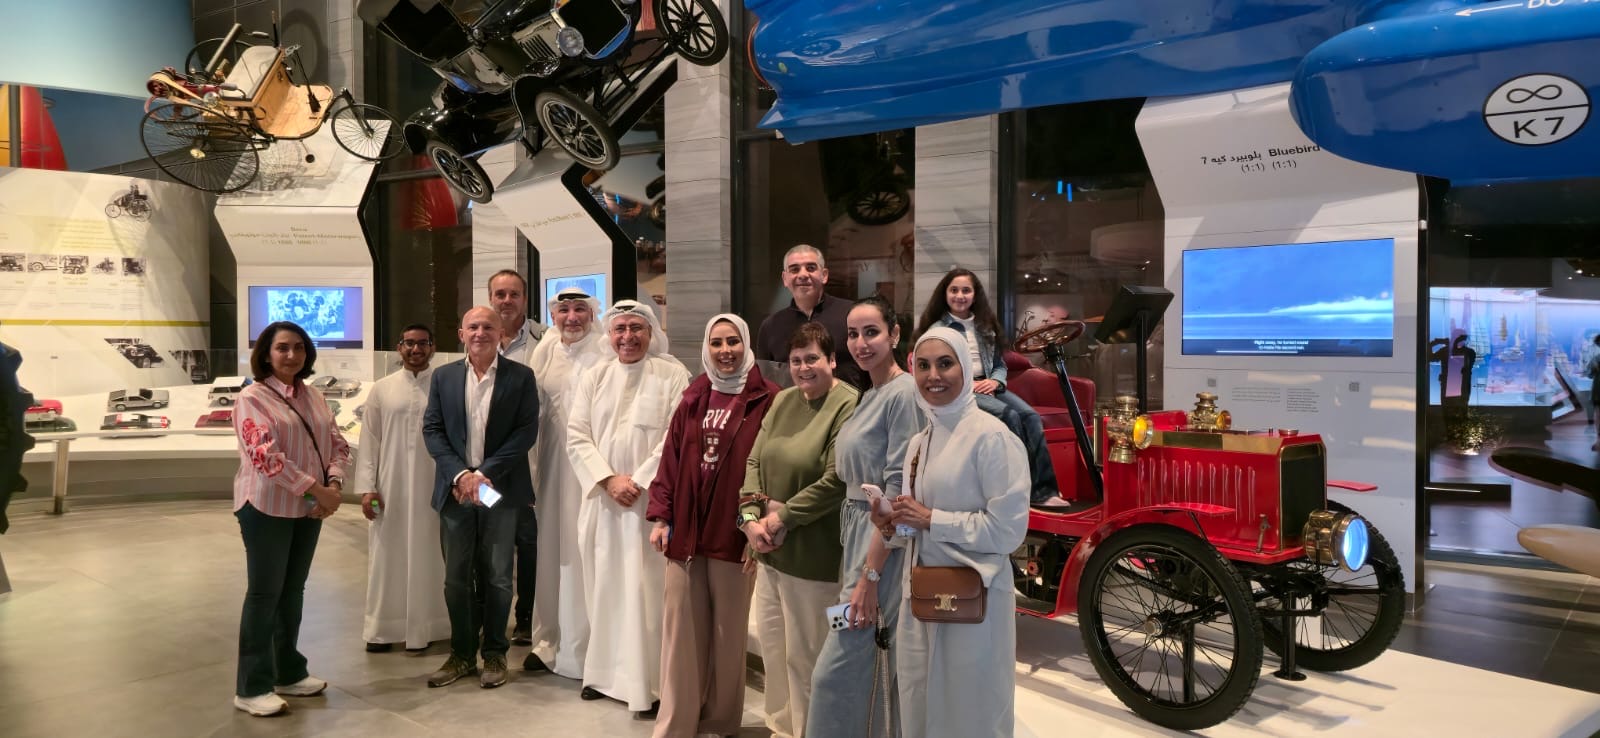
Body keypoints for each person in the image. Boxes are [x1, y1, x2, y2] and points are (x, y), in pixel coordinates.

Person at [888, 327, 1029, 738]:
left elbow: (1008, 532)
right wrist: (895, 522)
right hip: (921, 598)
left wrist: (932, 519)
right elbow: (916, 522)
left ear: (966, 369)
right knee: (920, 706)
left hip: (975, 605)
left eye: (945, 364)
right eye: (923, 365)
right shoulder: (919, 442)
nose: (933, 375)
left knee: (970, 712)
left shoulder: (993, 438)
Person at [646, 314, 777, 738]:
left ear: (746, 344)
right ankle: (676, 725)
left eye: (733, 341)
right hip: (687, 533)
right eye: (717, 342)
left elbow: (771, 468)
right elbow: (670, 460)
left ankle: (719, 723)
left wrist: (757, 528)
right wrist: (661, 515)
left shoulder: (768, 398)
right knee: (680, 636)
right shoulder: (694, 395)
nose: (725, 351)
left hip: (735, 534)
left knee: (728, 636)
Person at [807, 296, 925, 737]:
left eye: (871, 332)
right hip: (858, 535)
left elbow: (897, 491)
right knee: (864, 662)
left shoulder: (903, 393)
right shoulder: (871, 392)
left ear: (894, 335)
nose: (860, 342)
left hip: (881, 547)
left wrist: (870, 577)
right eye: (853, 334)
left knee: (836, 670)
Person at [567, 300, 691, 717]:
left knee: (645, 593)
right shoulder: (595, 375)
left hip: (648, 507)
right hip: (603, 503)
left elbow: (675, 438)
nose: (627, 337)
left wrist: (637, 480)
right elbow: (577, 435)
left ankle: (649, 684)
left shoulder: (672, 375)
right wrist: (608, 480)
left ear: (651, 333)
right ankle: (601, 676)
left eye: (636, 328)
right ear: (609, 335)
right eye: (619, 329)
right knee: (602, 587)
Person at [739, 321, 860, 738]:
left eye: (812, 359)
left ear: (832, 360)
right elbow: (754, 460)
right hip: (769, 553)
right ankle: (781, 728)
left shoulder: (848, 404)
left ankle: (814, 730)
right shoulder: (784, 400)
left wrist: (781, 518)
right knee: (774, 651)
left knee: (809, 659)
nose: (804, 368)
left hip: (816, 558)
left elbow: (836, 479)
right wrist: (750, 519)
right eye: (796, 360)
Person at [229, 321, 352, 716]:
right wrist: (318, 491)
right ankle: (251, 687)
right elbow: (264, 457)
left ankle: (288, 671)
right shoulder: (252, 398)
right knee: (264, 594)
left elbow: (336, 443)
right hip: (266, 507)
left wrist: (334, 483)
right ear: (266, 354)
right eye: (282, 348)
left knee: (292, 592)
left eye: (298, 347)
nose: (291, 355)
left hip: (308, 508)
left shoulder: (313, 395)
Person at [421, 306, 540, 690]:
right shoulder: (443, 377)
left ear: (501, 332)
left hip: (498, 491)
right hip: (456, 490)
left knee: (499, 576)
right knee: (456, 577)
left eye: (488, 326)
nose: (480, 333)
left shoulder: (521, 377)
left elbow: (525, 432)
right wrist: (461, 475)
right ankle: (461, 654)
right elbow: (433, 430)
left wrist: (484, 473)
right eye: (473, 326)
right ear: (461, 333)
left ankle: (494, 654)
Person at [523, 287, 610, 676]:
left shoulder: (606, 350)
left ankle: (592, 646)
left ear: (592, 314)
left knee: (588, 551)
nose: (571, 317)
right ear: (553, 316)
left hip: (592, 472)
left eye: (579, 309)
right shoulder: (545, 350)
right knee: (553, 551)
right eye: (563, 310)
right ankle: (550, 641)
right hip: (553, 467)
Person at [916, 268, 1057, 503]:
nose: (960, 296)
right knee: (1010, 416)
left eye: (966, 290)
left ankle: (1044, 491)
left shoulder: (985, 326)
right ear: (945, 294)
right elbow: (938, 368)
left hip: (989, 385)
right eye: (954, 290)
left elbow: (999, 364)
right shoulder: (938, 330)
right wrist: (967, 384)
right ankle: (1018, 487)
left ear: (974, 295)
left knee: (1030, 416)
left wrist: (995, 381)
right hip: (960, 389)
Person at [355, 324, 449, 653]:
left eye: (423, 343)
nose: (416, 349)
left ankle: (428, 626)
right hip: (389, 487)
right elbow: (370, 440)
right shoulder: (382, 389)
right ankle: (383, 629)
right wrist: (367, 488)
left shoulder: (443, 386)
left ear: (432, 347)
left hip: (432, 486)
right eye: (409, 343)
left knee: (431, 555)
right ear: (399, 348)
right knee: (386, 555)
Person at [487, 269, 544, 646]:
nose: (506, 301)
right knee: (492, 540)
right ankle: (491, 616)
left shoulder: (545, 341)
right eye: (500, 294)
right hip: (487, 469)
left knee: (528, 540)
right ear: (490, 298)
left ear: (525, 298)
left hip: (529, 464)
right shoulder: (480, 336)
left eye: (514, 294)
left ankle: (526, 617)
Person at [757, 244, 866, 390]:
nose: (803, 275)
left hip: (850, 403)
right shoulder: (770, 326)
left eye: (811, 268)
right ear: (785, 278)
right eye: (794, 269)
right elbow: (766, 384)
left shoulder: (852, 314)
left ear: (824, 275)